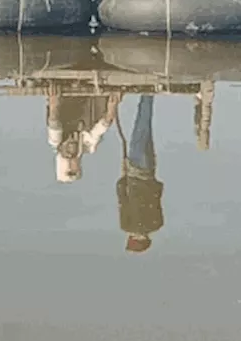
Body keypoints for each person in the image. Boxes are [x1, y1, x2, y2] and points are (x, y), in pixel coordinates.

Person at [117, 94, 164, 253]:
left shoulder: (157, 224)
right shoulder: (126, 225)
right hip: (135, 171)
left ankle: (148, 96)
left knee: (146, 128)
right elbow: (122, 195)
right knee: (141, 126)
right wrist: (123, 176)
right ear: (132, 239)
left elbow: (159, 192)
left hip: (150, 171)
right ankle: (147, 93)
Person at [48, 89, 122, 183]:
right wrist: (111, 109)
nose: (70, 151)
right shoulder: (88, 144)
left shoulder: (55, 140)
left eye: (67, 154)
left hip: (69, 95)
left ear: (60, 150)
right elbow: (103, 126)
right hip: (93, 95)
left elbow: (53, 121)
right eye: (73, 155)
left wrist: (53, 102)